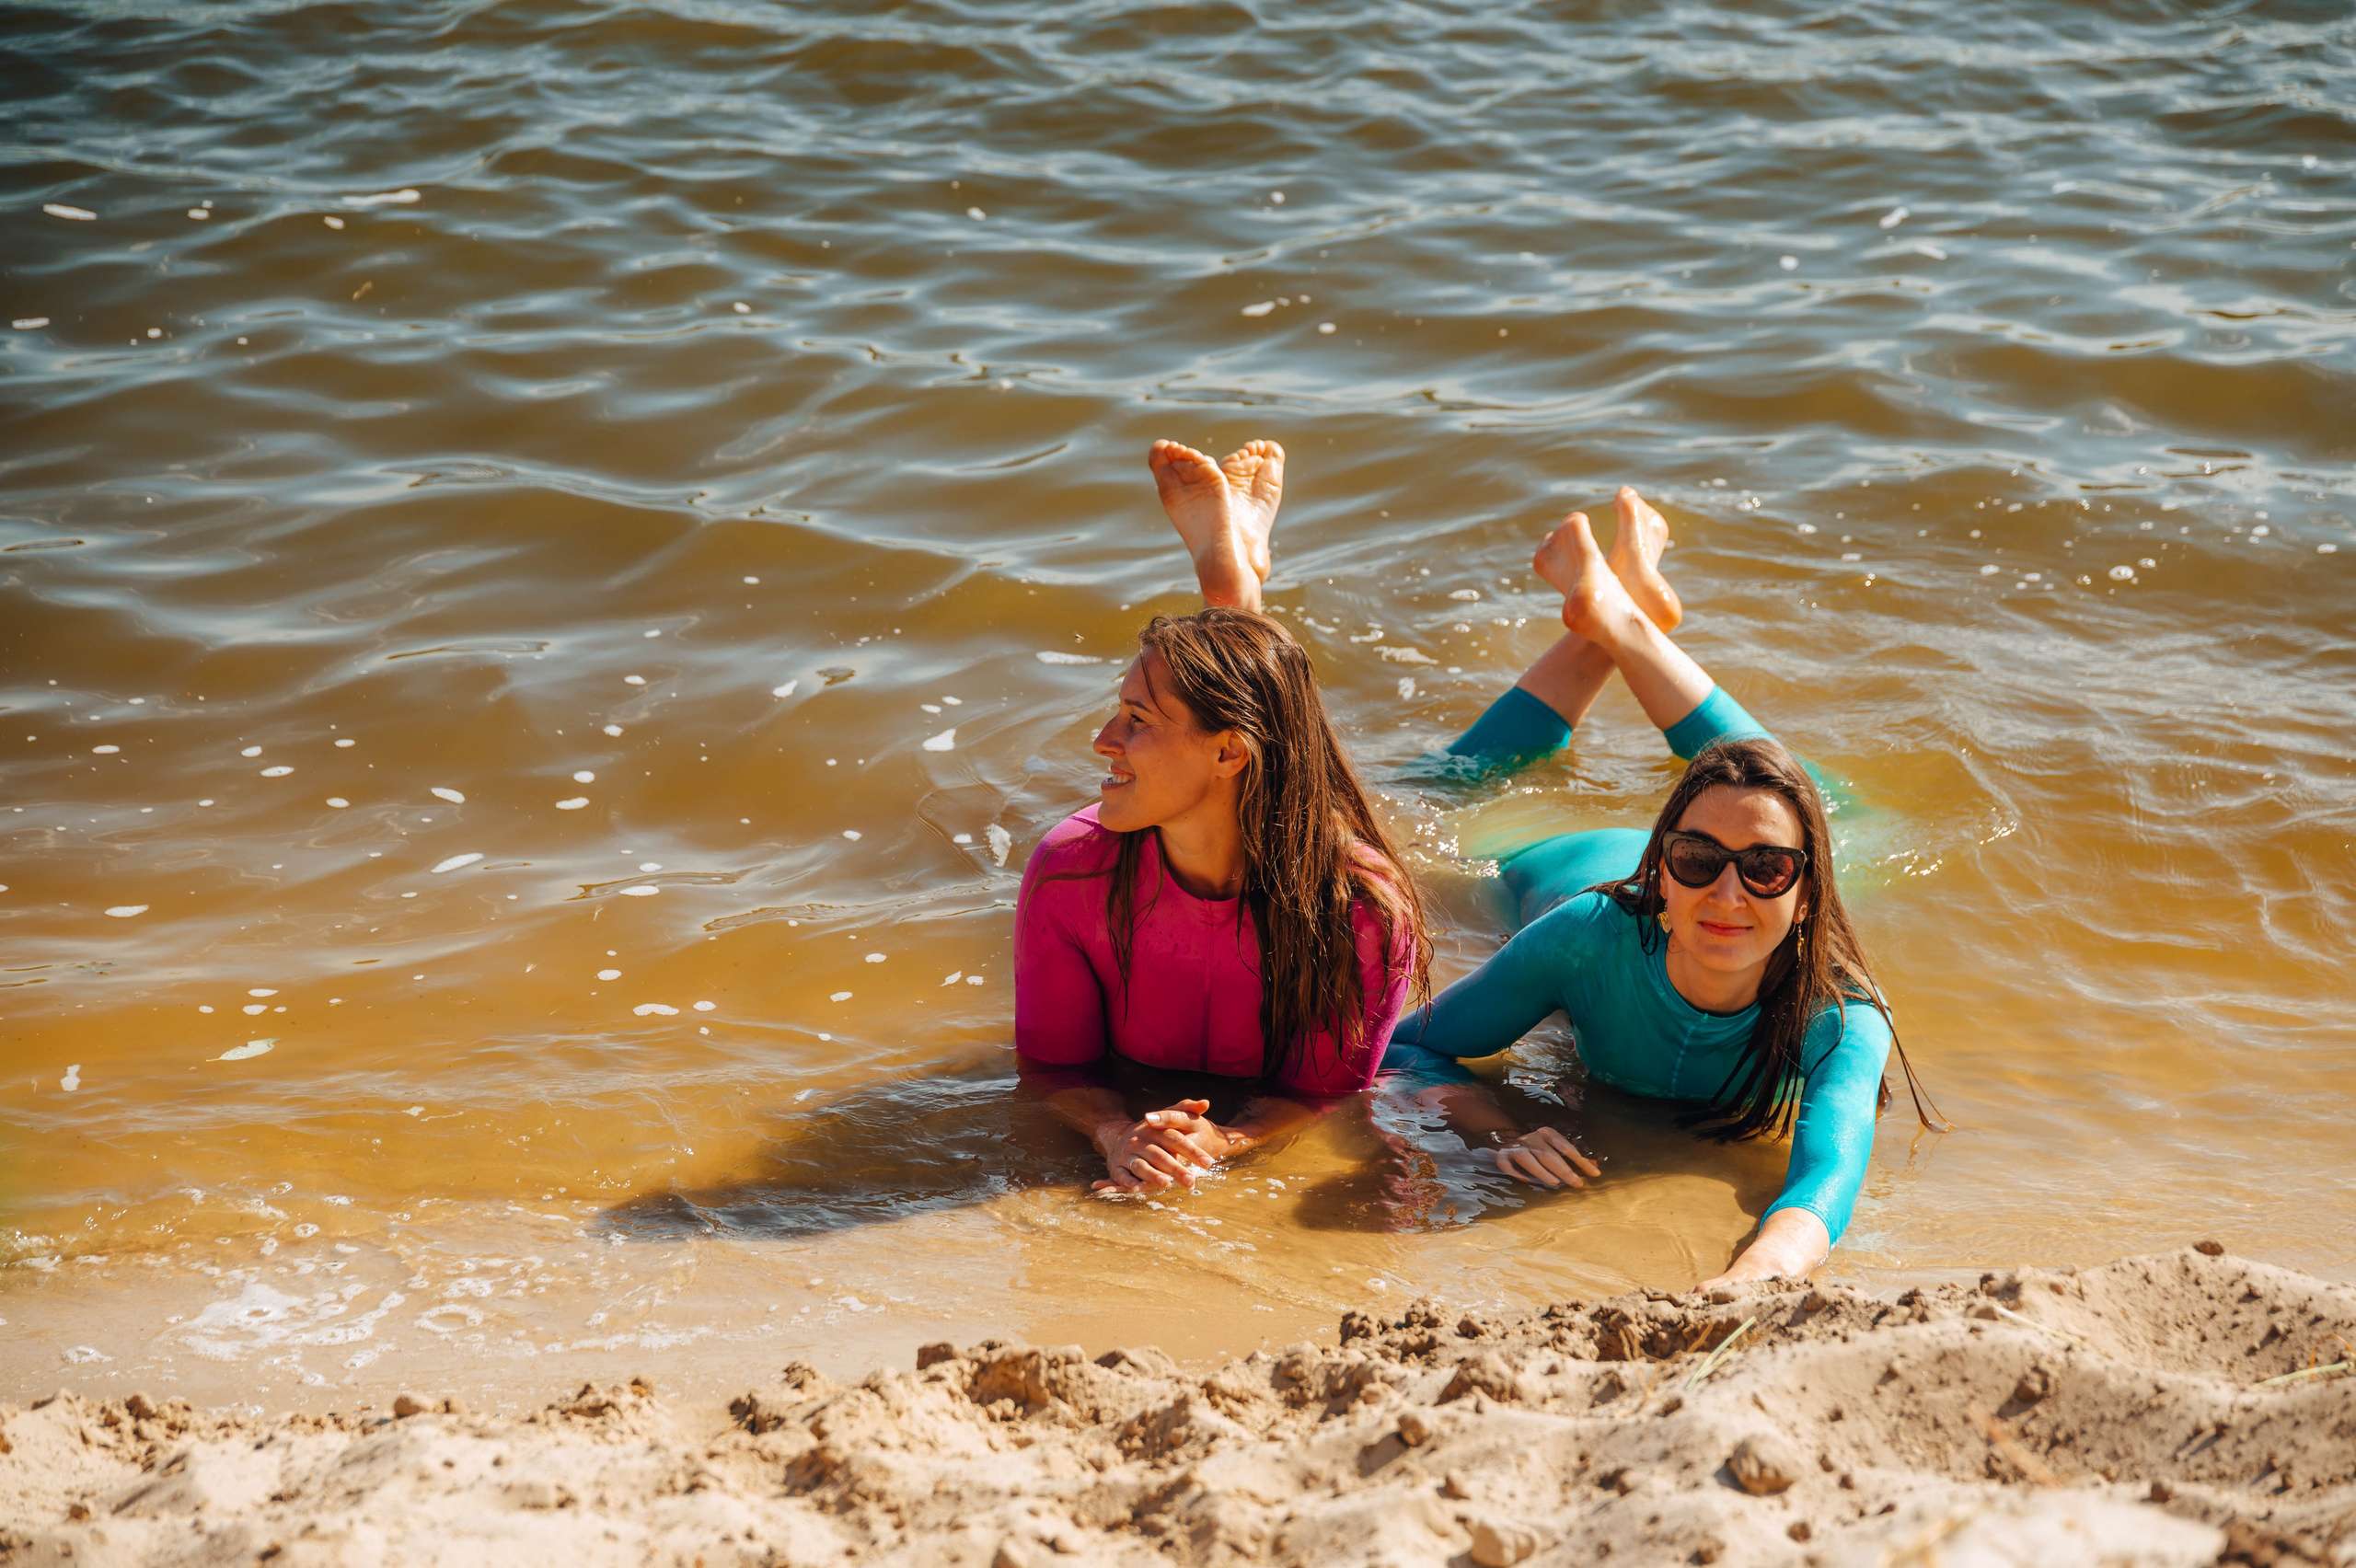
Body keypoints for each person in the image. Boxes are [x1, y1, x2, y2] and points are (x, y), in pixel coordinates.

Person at [1385, 489, 1940, 1289]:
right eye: (1695, 861)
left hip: (1731, 865)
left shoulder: (1842, 1022)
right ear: (1661, 872)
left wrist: (1751, 1278)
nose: (1728, 894)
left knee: (1836, 813)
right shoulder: (1586, 935)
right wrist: (1495, 1127)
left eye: (1767, 869)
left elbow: (1825, 1183)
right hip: (1551, 858)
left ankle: (1618, 617)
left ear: (1807, 893)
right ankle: (1619, 619)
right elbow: (1408, 1045)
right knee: (1431, 795)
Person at [1014, 440, 1431, 1194]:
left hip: (1270, 803)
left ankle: (1232, 582)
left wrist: (1224, 1140)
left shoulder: (1363, 909)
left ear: (1229, 753)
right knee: (1261, 726)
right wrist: (1116, 1132)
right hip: (1246, 774)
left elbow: (1324, 1089)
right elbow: (1052, 1070)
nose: (1101, 741)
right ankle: (1231, 582)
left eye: (1135, 719)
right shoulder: (1071, 867)